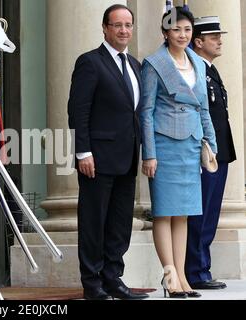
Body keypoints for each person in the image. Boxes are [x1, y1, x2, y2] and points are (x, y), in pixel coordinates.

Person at [68, 4, 147, 300]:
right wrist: (83, 153)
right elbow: (78, 111)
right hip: (97, 160)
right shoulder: (90, 62)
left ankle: (113, 279)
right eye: (117, 25)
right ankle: (93, 284)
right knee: (93, 222)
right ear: (105, 28)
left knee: (119, 224)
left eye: (128, 25)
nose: (124, 30)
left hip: (127, 158)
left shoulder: (135, 65)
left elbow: (135, 112)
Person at [140, 7, 218, 298]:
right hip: (164, 146)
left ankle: (183, 276)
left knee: (183, 214)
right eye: (176, 29)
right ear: (165, 32)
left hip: (191, 145)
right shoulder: (154, 64)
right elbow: (145, 112)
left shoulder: (197, 62)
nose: (182, 35)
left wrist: (211, 142)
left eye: (187, 29)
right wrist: (149, 154)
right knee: (164, 213)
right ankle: (169, 276)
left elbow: (204, 109)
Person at [185, 16, 236, 290]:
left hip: (219, 150)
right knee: (200, 213)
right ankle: (195, 271)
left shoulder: (209, 69)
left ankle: (202, 268)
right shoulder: (194, 70)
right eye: (214, 36)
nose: (219, 40)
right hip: (205, 151)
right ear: (198, 41)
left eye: (220, 35)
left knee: (211, 213)